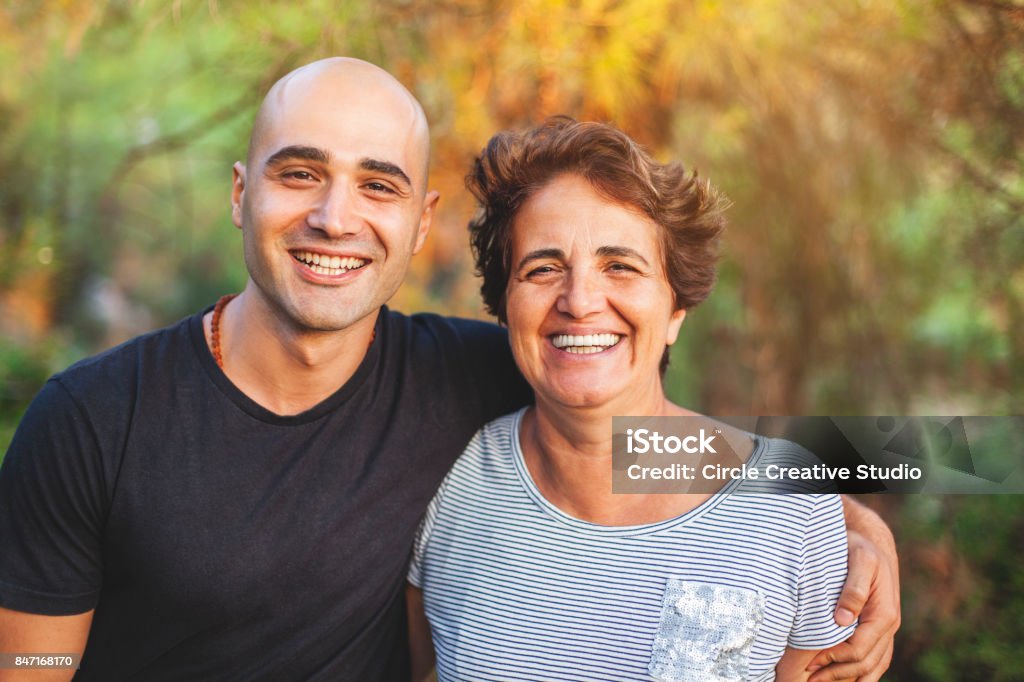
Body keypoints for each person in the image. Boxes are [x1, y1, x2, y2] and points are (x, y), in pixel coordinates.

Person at [0, 59, 895, 681]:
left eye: (378, 185)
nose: (335, 217)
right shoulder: (92, 418)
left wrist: (850, 511)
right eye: (299, 173)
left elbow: (651, 437)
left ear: (419, 222)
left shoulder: (468, 379)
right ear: (242, 193)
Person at [407, 118, 897, 681]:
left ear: (675, 313)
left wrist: (866, 528)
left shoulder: (791, 508)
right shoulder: (449, 483)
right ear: (505, 306)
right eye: (543, 268)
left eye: (621, 266)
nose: (581, 300)